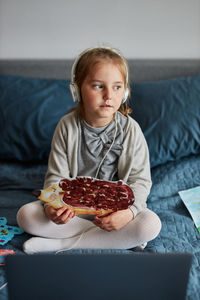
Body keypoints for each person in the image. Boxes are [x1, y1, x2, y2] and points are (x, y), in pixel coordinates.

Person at [17, 46, 161, 254]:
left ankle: (61, 244)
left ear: (126, 91)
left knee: (150, 224)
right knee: (25, 215)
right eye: (98, 86)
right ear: (77, 90)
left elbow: (139, 181)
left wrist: (128, 214)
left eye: (117, 87)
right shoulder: (66, 126)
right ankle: (116, 239)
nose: (109, 95)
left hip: (115, 212)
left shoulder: (130, 129)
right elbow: (56, 177)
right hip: (75, 211)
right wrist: (52, 207)